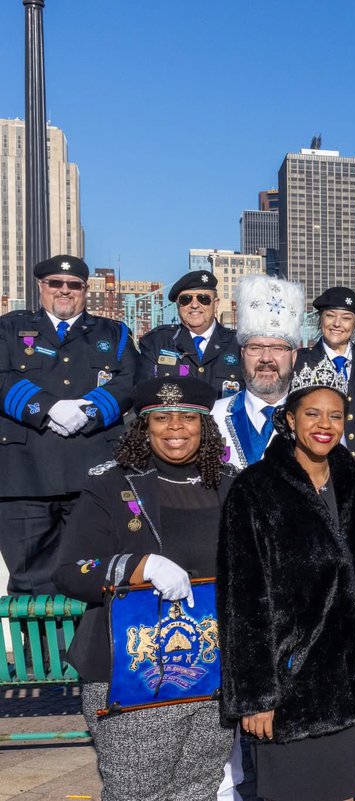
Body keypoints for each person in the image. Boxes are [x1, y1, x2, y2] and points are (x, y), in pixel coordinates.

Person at [218, 358, 355, 801]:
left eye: (335, 415)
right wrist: (255, 696)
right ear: (289, 419)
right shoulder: (255, 489)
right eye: (312, 413)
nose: (324, 425)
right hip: (292, 686)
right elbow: (243, 600)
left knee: (347, 791)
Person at [53, 377, 237, 800]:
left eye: (189, 416)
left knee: (198, 789)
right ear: (144, 425)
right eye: (162, 417)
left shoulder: (231, 483)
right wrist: (137, 565)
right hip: (132, 675)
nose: (176, 427)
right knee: (137, 793)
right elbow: (69, 570)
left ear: (205, 424)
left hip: (212, 672)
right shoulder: (110, 484)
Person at [0, 255, 136, 594]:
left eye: (73, 285)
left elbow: (130, 382)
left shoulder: (114, 333)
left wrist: (88, 412)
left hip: (92, 476)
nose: (64, 291)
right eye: (55, 284)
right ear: (40, 287)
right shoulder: (9, 329)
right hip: (25, 480)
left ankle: (85, 649)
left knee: (93, 578)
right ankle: (41, 650)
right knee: (31, 584)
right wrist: (46, 408)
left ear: (85, 290)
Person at [211, 275, 303, 469]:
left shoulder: (312, 420)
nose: (266, 358)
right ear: (242, 354)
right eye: (255, 347)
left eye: (278, 348)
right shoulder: (213, 417)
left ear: (293, 356)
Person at [294, 287, 355, 466]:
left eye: (346, 318)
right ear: (321, 318)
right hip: (314, 464)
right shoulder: (301, 361)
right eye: (330, 316)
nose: (337, 324)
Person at [137, 269, 243, 397]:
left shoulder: (239, 343)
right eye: (185, 299)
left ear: (216, 304)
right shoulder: (157, 342)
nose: (194, 305)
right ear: (178, 306)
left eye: (203, 298)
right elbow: (143, 395)